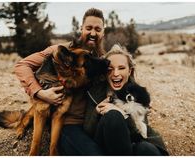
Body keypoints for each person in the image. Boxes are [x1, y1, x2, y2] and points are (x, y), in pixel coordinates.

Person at [15, 8, 105, 155]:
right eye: (89, 28)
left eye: (97, 29)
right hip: (69, 124)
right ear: (81, 28)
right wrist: (40, 92)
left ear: (103, 32)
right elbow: (22, 65)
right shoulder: (59, 51)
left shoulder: (103, 60)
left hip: (92, 122)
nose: (93, 33)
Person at [84, 44, 169, 155]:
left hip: (130, 144)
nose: (116, 73)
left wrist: (123, 115)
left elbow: (138, 134)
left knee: (146, 148)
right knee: (113, 116)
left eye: (121, 68)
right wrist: (96, 111)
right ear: (104, 73)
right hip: (104, 147)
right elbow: (88, 130)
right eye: (110, 69)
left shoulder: (138, 94)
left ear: (129, 71)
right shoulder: (95, 93)